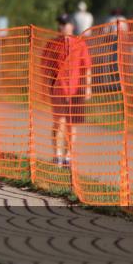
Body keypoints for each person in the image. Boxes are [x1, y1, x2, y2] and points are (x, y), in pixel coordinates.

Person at [41, 14, 92, 167]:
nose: (61, 27)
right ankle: (57, 155)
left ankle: (68, 156)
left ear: (72, 26)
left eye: (64, 24)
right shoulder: (52, 44)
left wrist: (88, 87)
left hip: (76, 90)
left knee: (72, 123)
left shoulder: (80, 43)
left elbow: (87, 67)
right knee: (59, 121)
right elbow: (44, 67)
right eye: (60, 24)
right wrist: (45, 86)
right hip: (58, 89)